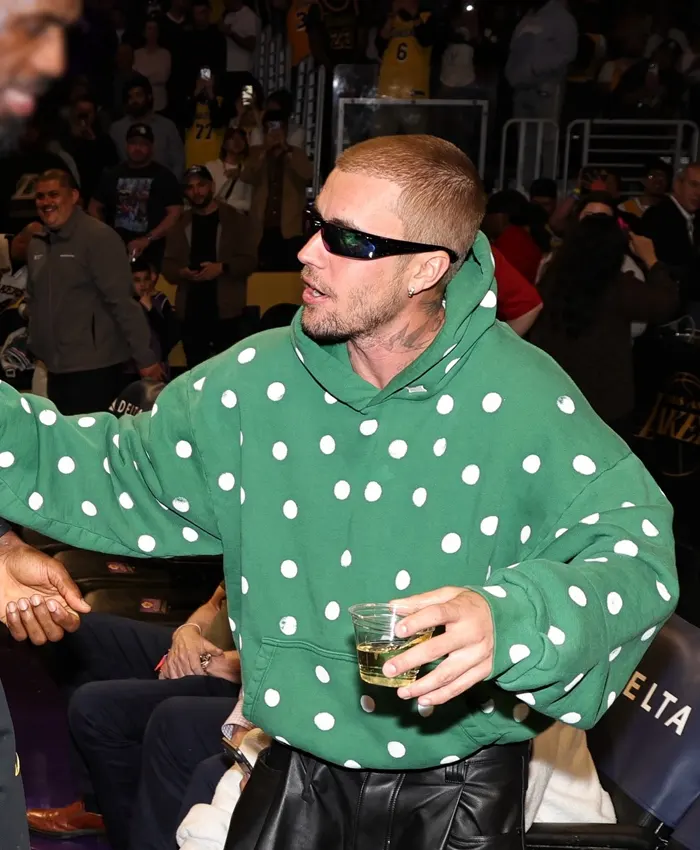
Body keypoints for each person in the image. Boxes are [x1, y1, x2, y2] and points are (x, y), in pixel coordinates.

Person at [0, 135, 678, 850]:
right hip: (291, 766)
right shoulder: (259, 381)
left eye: (348, 240)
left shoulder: (520, 397)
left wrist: (510, 619)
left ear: (427, 269)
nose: (307, 253)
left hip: (455, 793)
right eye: (317, 223)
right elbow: (113, 466)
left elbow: (636, 553)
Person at [26, 586, 241, 850]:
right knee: (74, 631)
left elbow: (284, 664)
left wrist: (209, 663)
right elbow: (214, 603)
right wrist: (187, 632)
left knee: (97, 707)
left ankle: (129, 834)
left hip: (242, 679)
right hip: (205, 650)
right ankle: (96, 807)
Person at [530, 197, 678, 430]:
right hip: (604, 404)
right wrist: (652, 260)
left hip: (556, 393)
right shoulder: (617, 286)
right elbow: (665, 304)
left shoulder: (553, 276)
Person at [27, 169, 162, 413]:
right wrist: (36, 345)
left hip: (95, 369)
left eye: (54, 194)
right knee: (66, 436)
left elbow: (123, 303)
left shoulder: (98, 237)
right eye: (40, 196)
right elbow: (34, 299)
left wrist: (145, 358)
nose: (46, 202)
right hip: (54, 368)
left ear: (73, 196)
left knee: (93, 436)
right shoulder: (37, 243)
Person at [163, 165, 256, 368]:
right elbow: (168, 265)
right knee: (194, 371)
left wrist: (222, 268)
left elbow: (249, 261)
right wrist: (182, 272)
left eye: (201, 185)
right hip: (191, 311)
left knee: (227, 370)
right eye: (190, 187)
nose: (196, 192)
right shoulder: (180, 223)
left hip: (226, 310)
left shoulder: (235, 220)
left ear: (212, 186)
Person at [89, 122, 184, 271]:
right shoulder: (112, 174)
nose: (137, 148)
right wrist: (107, 236)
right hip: (116, 252)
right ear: (126, 145)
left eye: (143, 144)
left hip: (153, 253)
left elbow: (175, 212)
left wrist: (148, 238)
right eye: (133, 143)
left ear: (152, 147)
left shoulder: (164, 176)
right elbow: (94, 206)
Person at [506, 0, 578, 186]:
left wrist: (537, 69)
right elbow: (514, 50)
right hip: (522, 87)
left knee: (548, 139)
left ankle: (548, 184)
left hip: (547, 87)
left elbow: (568, 53)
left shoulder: (561, 17)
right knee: (525, 140)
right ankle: (525, 183)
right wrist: (513, 75)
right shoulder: (527, 17)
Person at [242, 109, 313, 270]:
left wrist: (287, 151)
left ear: (286, 130)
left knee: (288, 273)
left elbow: (307, 175)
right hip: (262, 226)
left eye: (279, 127)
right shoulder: (256, 152)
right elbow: (246, 176)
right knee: (262, 273)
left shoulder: (296, 153)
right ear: (264, 131)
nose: (275, 133)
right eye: (271, 128)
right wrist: (264, 152)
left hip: (290, 227)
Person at [641, 162, 700, 304]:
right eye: (693, 185)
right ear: (677, 185)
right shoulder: (658, 217)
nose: (698, 193)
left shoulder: (694, 218)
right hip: (666, 302)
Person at [110, 76, 185, 178]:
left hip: (161, 184)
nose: (134, 100)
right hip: (128, 185)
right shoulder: (116, 129)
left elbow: (178, 162)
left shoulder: (167, 126)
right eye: (130, 97)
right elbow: (112, 165)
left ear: (149, 97)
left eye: (138, 95)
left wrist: (170, 185)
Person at [60, 94, 119, 204]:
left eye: (88, 112)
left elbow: (112, 167)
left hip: (96, 198)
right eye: (80, 111)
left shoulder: (104, 140)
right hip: (67, 196)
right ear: (73, 112)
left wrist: (92, 141)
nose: (84, 115)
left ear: (95, 115)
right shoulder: (61, 139)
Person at [131, 256, 180, 373]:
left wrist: (151, 310)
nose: (142, 284)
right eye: (137, 280)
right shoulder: (122, 305)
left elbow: (170, 336)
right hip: (129, 369)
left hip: (156, 367)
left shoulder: (160, 301)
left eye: (146, 279)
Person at [185, 71, 228, 170]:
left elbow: (218, 123)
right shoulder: (189, 101)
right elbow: (185, 121)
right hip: (193, 157)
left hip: (214, 157)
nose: (205, 82)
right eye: (201, 79)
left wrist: (210, 94)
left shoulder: (221, 102)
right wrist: (196, 93)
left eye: (208, 79)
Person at [206, 127, 253, 212]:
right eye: (233, 138)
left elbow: (250, 204)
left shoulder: (246, 171)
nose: (237, 142)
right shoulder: (211, 166)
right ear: (224, 144)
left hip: (235, 218)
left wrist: (228, 203)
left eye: (241, 139)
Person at [134, 16, 173, 114]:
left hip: (161, 103)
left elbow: (163, 77)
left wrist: (147, 77)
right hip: (141, 103)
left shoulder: (165, 54)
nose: (152, 32)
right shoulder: (137, 54)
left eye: (155, 29)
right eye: (150, 29)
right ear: (144, 32)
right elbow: (137, 79)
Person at [221, 0, 260, 92]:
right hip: (228, 72)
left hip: (245, 72)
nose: (224, 3)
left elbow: (251, 44)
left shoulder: (250, 16)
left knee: (246, 100)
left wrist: (231, 34)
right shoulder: (228, 16)